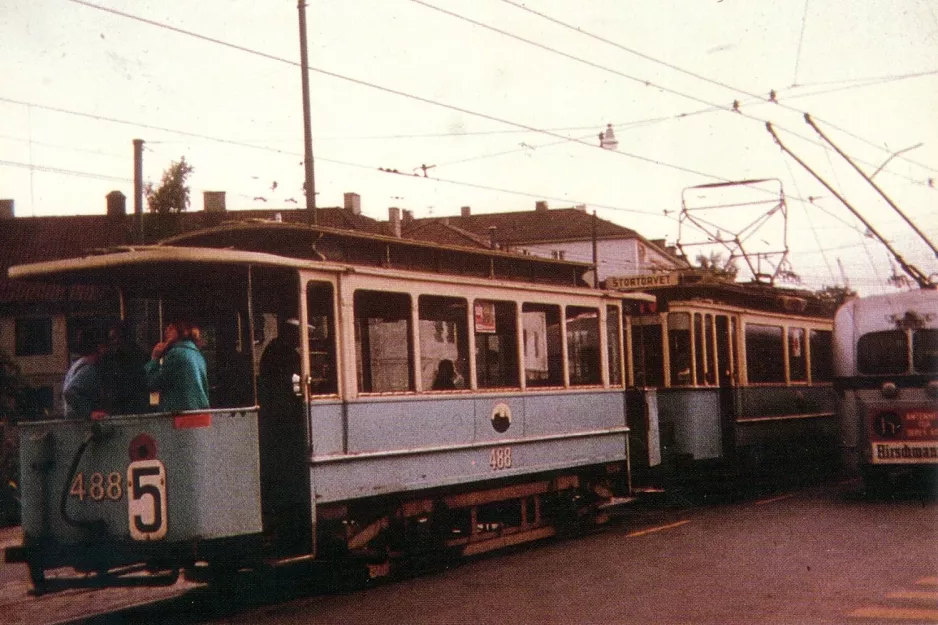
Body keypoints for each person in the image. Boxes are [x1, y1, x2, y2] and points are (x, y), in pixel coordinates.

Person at [145, 320, 210, 412]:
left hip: (180, 415)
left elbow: (153, 383)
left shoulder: (175, 354)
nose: (166, 332)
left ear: (182, 333)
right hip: (200, 412)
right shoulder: (198, 355)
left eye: (171, 329)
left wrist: (154, 359)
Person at [99, 320, 150, 415]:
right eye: (112, 339)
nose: (116, 341)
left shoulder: (137, 356)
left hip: (133, 405)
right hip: (118, 405)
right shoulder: (109, 358)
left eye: (120, 337)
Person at [62, 329, 105, 419]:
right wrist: (89, 413)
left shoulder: (76, 365)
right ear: (98, 348)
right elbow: (69, 392)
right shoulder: (88, 369)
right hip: (81, 424)